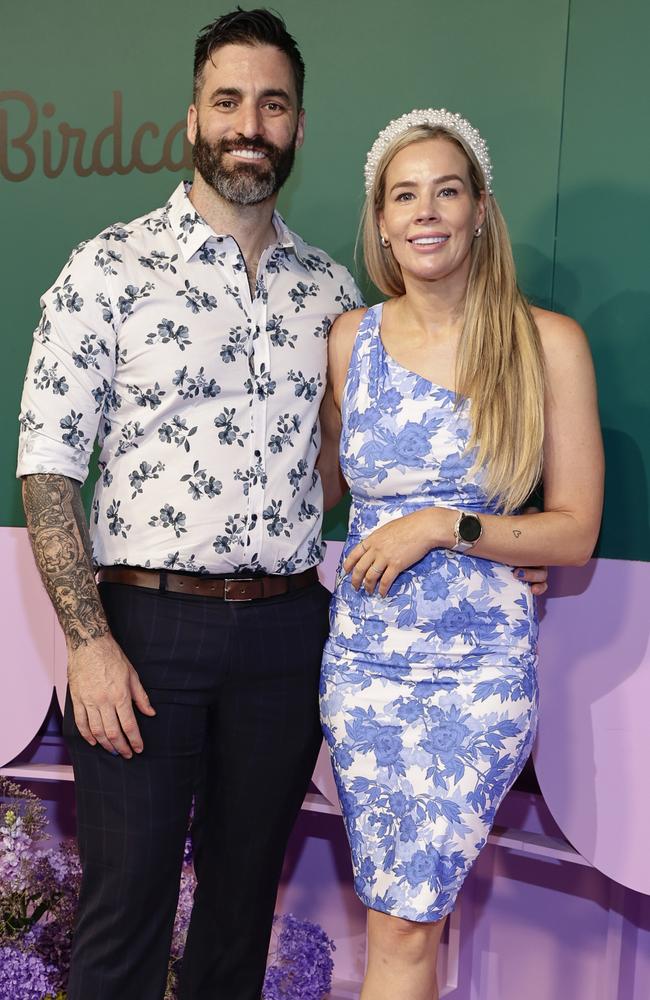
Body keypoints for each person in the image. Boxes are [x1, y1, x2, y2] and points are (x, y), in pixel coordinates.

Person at [16, 10, 366, 1000]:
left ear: (297, 125)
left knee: (240, 905)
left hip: (286, 631)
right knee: (124, 905)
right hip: (139, 629)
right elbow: (48, 467)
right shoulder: (107, 268)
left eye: (271, 102)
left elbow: (361, 470)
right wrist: (86, 640)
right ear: (191, 119)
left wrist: (483, 541)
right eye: (227, 100)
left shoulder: (332, 292)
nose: (246, 122)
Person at [318, 109, 603, 1000]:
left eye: (448, 190)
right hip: (363, 669)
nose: (426, 211)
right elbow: (319, 492)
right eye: (405, 195)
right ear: (382, 220)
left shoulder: (545, 342)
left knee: (406, 922)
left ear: (481, 210)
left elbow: (575, 529)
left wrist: (450, 524)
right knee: (400, 920)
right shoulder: (347, 340)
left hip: (477, 674)